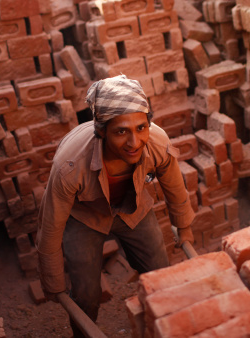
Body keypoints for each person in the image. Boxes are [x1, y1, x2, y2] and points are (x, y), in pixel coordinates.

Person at [35, 75, 195, 337]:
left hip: (134, 209)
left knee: (161, 278)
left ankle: (163, 328)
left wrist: (184, 228)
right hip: (85, 217)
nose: (134, 142)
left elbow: (175, 190)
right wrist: (52, 281)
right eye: (121, 131)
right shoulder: (71, 166)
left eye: (141, 128)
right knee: (86, 295)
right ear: (101, 131)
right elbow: (51, 226)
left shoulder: (157, 143)